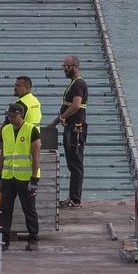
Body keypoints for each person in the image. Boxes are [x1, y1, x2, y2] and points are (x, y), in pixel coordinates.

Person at [0, 103, 39, 249]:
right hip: (8, 177)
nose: (11, 118)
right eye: (9, 116)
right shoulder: (6, 130)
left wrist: (34, 179)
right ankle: (3, 241)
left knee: (29, 209)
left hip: (25, 178)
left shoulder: (31, 130)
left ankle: (33, 240)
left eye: (13, 116)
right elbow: (3, 154)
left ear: (21, 115)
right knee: (5, 210)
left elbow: (36, 156)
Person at [48, 55, 87, 208]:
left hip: (76, 129)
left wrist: (57, 120)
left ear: (75, 67)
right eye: (63, 66)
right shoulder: (74, 84)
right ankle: (72, 197)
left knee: (75, 164)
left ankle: (75, 199)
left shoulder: (79, 84)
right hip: (72, 127)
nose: (64, 69)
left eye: (67, 66)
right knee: (72, 164)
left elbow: (76, 105)